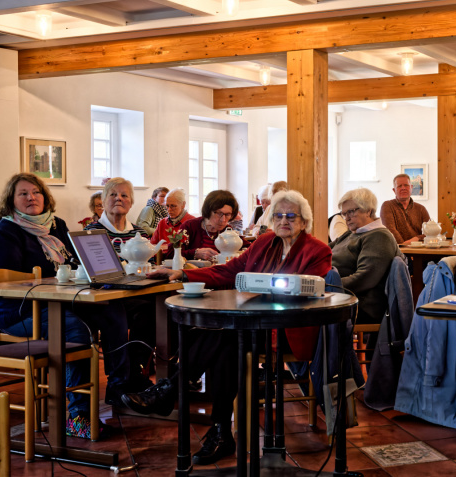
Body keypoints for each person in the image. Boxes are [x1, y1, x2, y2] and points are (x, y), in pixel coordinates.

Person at [122, 190, 331, 466]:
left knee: (226, 335)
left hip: (287, 331)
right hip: (252, 327)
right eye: (278, 215)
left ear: (304, 221)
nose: (284, 220)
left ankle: (171, 392)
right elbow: (228, 271)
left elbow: (307, 293)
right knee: (226, 340)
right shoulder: (265, 242)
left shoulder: (318, 250)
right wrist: (182, 273)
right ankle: (219, 431)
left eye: (291, 215)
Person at [0, 173, 132, 436]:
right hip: (17, 311)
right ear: (11, 200)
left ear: (45, 196)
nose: (31, 198)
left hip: (61, 301)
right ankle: (78, 417)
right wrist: (55, 277)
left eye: (36, 192)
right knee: (73, 330)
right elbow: (8, 285)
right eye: (23, 194)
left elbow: (75, 262)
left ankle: (119, 388)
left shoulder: (57, 225)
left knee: (112, 310)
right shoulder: (5, 231)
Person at [85, 178, 154, 385]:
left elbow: (146, 267)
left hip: (134, 295)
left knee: (157, 311)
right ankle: (119, 380)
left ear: (131, 203)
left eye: (124, 195)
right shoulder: (92, 231)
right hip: (102, 298)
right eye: (113, 194)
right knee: (116, 313)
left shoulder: (139, 233)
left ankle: (135, 371)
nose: (119, 199)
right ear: (103, 201)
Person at [330, 188, 402, 324]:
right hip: (339, 296)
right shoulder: (353, 233)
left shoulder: (379, 236)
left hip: (359, 305)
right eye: (344, 214)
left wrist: (326, 286)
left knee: (303, 312)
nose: (347, 218)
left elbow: (364, 278)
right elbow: (323, 252)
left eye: (351, 212)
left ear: (368, 210)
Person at [174, 189, 239, 262]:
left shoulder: (227, 230)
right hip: (193, 272)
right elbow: (171, 253)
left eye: (227, 214)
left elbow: (248, 248)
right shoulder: (189, 226)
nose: (223, 220)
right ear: (208, 211)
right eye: (219, 213)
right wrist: (195, 253)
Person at [380, 174, 431, 244]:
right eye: (399, 186)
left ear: (411, 187)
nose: (403, 188)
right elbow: (390, 230)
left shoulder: (421, 209)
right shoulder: (387, 206)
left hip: (419, 250)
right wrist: (404, 246)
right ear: (394, 190)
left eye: (406, 185)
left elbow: (431, 232)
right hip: (397, 251)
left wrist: (417, 238)